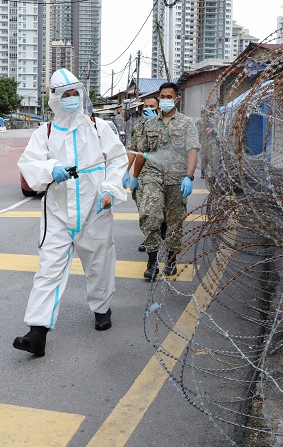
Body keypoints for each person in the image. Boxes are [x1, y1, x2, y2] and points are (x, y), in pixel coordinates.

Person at [14, 68, 127, 357]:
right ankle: (37, 332)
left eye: (75, 93)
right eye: (66, 95)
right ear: (55, 99)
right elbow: (28, 165)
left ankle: (102, 309)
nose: (72, 99)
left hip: (94, 210)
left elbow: (118, 160)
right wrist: (51, 169)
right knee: (48, 270)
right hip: (58, 213)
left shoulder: (99, 128)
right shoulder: (45, 133)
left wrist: (109, 190)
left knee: (99, 264)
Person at [133, 83, 200, 280]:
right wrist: (134, 177)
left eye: (168, 96)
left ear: (176, 99)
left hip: (176, 178)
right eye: (162, 96)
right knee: (151, 215)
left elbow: (192, 152)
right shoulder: (149, 124)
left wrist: (188, 176)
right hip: (152, 176)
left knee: (174, 220)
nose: (164, 100)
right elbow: (142, 153)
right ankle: (152, 261)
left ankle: (171, 258)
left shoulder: (187, 124)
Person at [123, 97, 163, 252]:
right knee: (145, 209)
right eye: (145, 106)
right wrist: (126, 172)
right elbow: (133, 150)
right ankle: (149, 238)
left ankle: (160, 235)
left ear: (158, 109)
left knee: (159, 210)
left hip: (163, 174)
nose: (147, 109)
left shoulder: (166, 126)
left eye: (151, 107)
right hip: (142, 175)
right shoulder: (139, 128)